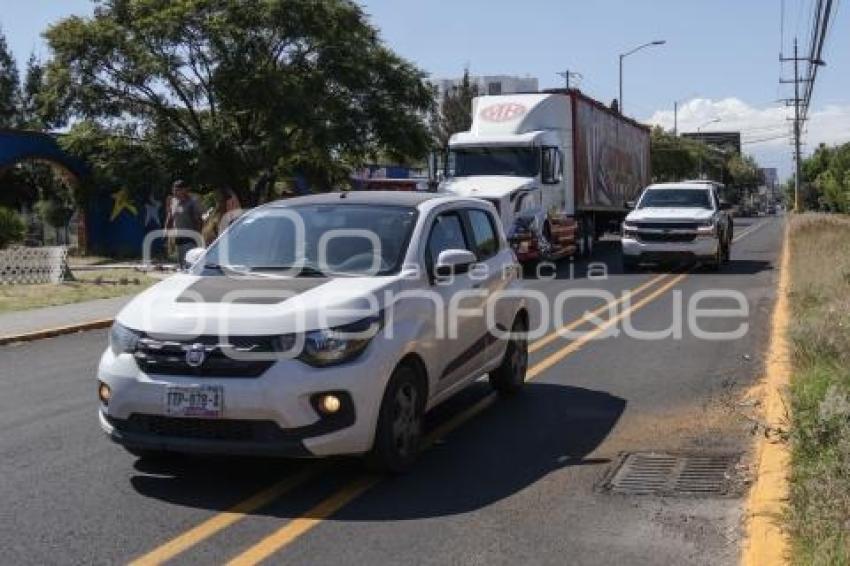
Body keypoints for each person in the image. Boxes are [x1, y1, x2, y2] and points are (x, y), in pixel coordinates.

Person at [164, 180, 202, 268]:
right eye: (174, 190)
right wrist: (166, 231)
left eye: (177, 190)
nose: (175, 192)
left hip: (190, 238)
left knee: (189, 263)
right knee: (181, 263)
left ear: (185, 190)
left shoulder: (192, 203)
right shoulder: (173, 201)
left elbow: (198, 220)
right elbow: (170, 216)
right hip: (178, 237)